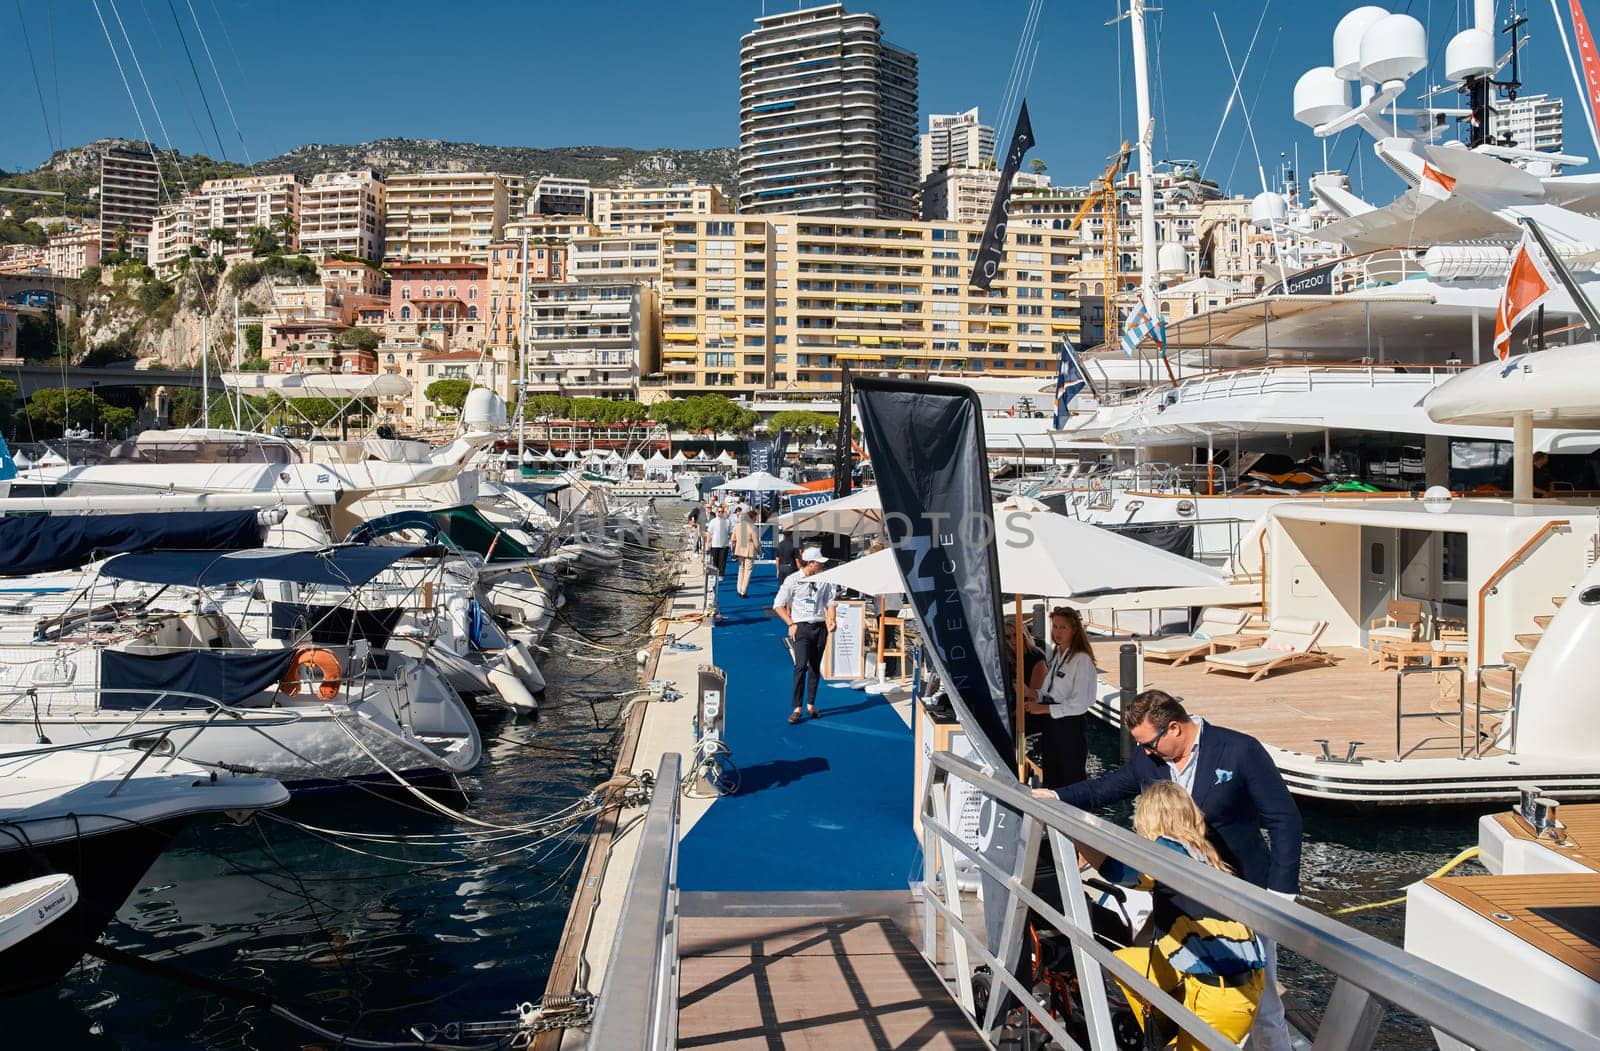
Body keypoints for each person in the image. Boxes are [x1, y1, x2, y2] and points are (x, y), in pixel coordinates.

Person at [1032, 690, 1301, 1051]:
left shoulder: (1239, 751)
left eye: (1150, 743)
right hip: (1177, 902)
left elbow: (1283, 819)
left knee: (1263, 1002)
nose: (1146, 752)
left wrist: (1280, 897)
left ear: (1174, 727)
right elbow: (1106, 788)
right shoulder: (1151, 762)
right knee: (1175, 976)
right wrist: (1057, 798)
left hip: (1242, 897)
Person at [1083, 782, 1266, 1050]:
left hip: (1221, 998)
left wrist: (1075, 836)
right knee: (1120, 964)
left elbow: (1119, 873)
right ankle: (1163, 1026)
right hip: (1223, 979)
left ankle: (1166, 1030)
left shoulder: (1168, 854)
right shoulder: (1201, 849)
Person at [1025, 606, 1095, 788]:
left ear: (1074, 630)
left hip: (1069, 727)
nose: (1057, 632)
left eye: (1062, 627)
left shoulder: (1081, 660)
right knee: (1052, 776)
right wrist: (1031, 693)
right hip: (1052, 725)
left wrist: (1043, 709)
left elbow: (1080, 704)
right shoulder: (1058, 655)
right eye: (1055, 627)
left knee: (1071, 779)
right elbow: (1050, 691)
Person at [772, 546, 836, 723]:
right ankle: (797, 707)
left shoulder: (825, 580)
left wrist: (832, 619)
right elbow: (778, 604)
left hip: (819, 626)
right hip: (801, 627)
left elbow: (830, 601)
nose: (822, 566)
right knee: (801, 666)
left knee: (815, 666)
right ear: (811, 563)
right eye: (819, 563)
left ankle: (811, 704)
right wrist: (791, 623)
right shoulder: (793, 580)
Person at [732, 509, 761, 597]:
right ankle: (743, 591)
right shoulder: (753, 527)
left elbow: (733, 540)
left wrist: (733, 550)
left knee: (741, 569)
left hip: (739, 550)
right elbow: (756, 542)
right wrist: (759, 552)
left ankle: (739, 589)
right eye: (755, 517)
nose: (756, 519)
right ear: (752, 518)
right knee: (748, 571)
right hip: (749, 551)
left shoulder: (737, 526)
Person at [705, 503, 731, 576]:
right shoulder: (713, 522)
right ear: (716, 512)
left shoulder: (727, 521)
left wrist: (731, 543)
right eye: (719, 511)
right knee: (715, 561)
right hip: (715, 544)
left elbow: (730, 533)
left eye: (722, 511)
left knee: (722, 561)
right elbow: (709, 534)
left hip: (724, 544)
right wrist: (708, 544)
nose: (720, 513)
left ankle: (721, 574)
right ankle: (715, 574)